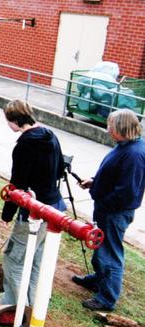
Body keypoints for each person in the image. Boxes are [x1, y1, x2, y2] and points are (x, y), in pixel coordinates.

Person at [0, 100, 67, 309]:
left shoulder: (24, 145)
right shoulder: (50, 135)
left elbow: (18, 185)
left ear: (15, 121)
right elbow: (60, 169)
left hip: (34, 212)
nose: (8, 125)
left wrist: (7, 215)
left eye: (8, 121)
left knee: (14, 259)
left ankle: (14, 308)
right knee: (36, 261)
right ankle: (31, 303)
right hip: (54, 207)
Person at [73, 109, 145, 311]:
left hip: (114, 212)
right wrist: (94, 183)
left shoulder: (134, 154)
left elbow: (127, 192)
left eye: (110, 126)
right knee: (100, 246)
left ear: (122, 128)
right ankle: (98, 279)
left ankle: (106, 298)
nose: (107, 130)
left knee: (110, 252)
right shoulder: (126, 147)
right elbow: (114, 176)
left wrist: (104, 202)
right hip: (107, 208)